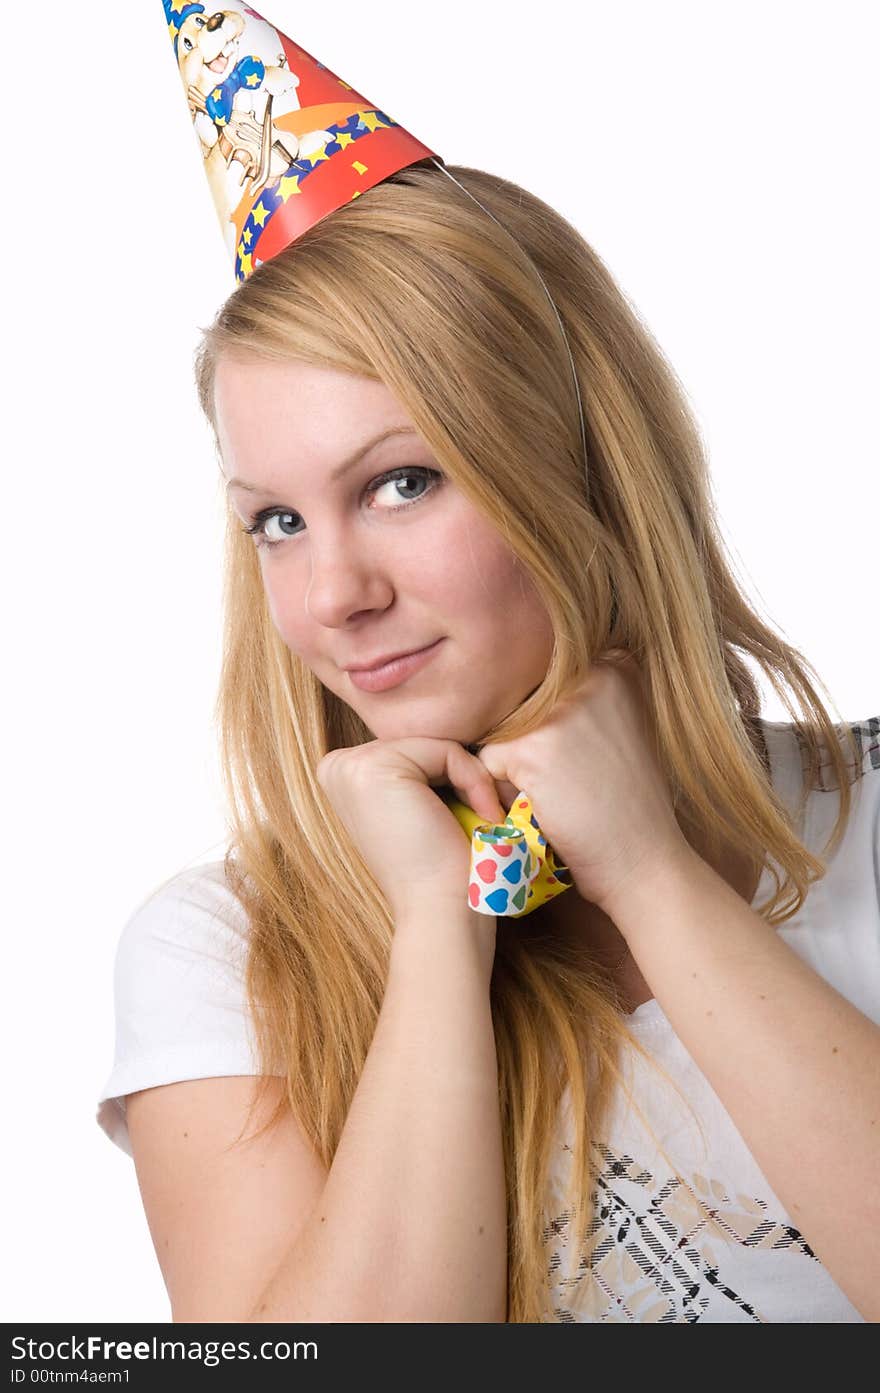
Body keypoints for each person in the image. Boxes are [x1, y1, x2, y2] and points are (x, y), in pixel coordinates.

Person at [96, 7, 880, 1324]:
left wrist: (651, 875)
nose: (335, 595)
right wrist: (433, 936)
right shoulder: (227, 954)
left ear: (575, 461)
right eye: (277, 520)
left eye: (400, 481)